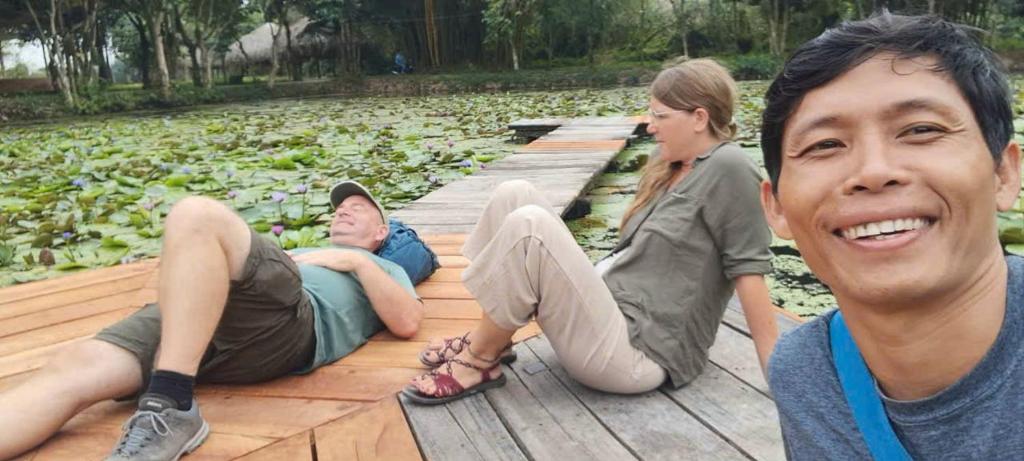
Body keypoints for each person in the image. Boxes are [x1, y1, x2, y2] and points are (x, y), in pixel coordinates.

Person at [404, 58, 779, 404]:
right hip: (606, 311)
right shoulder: (669, 164)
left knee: (531, 225)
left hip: (637, 353)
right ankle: (494, 339)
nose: (650, 126)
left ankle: (480, 358)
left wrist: (780, 377)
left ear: (699, 118)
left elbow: (749, 271)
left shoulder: (729, 167)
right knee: (513, 194)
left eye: (660, 116)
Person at [0, 181, 424, 461]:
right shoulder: (303, 251)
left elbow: (407, 321)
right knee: (76, 368)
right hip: (208, 324)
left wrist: (354, 262)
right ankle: (172, 383)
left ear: (381, 233)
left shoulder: (383, 266)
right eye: (339, 209)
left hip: (289, 321)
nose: (343, 212)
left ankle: (172, 402)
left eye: (357, 208)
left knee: (196, 214)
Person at [759, 13, 1024, 459]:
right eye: (825, 144)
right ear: (777, 207)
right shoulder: (805, 373)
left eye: (921, 130)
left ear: (1003, 173)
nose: (873, 172)